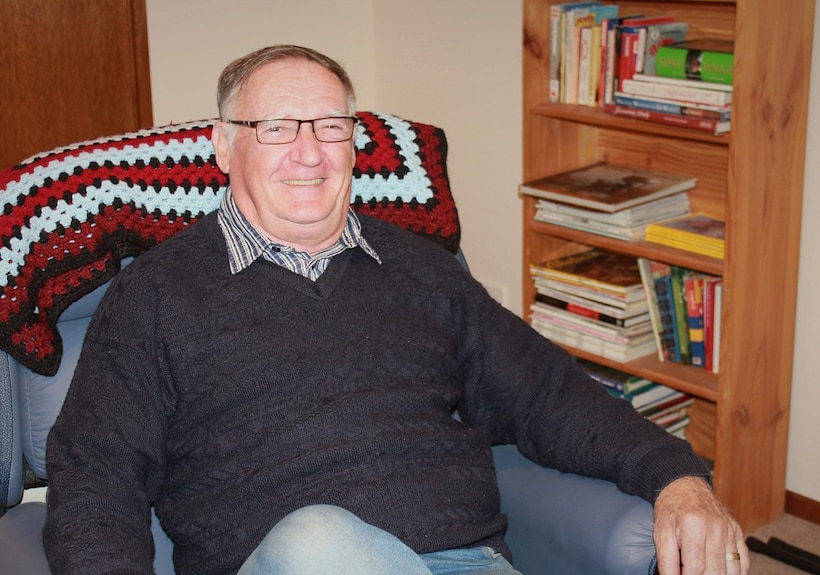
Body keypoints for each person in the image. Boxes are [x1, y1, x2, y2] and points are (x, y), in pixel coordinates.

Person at [43, 45, 749, 575]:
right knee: (317, 540)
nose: (311, 153)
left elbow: (548, 394)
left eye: (331, 125)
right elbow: (96, 470)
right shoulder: (159, 292)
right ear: (225, 146)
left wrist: (677, 477)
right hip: (294, 563)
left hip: (465, 559)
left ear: (356, 142)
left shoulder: (424, 270)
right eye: (278, 127)